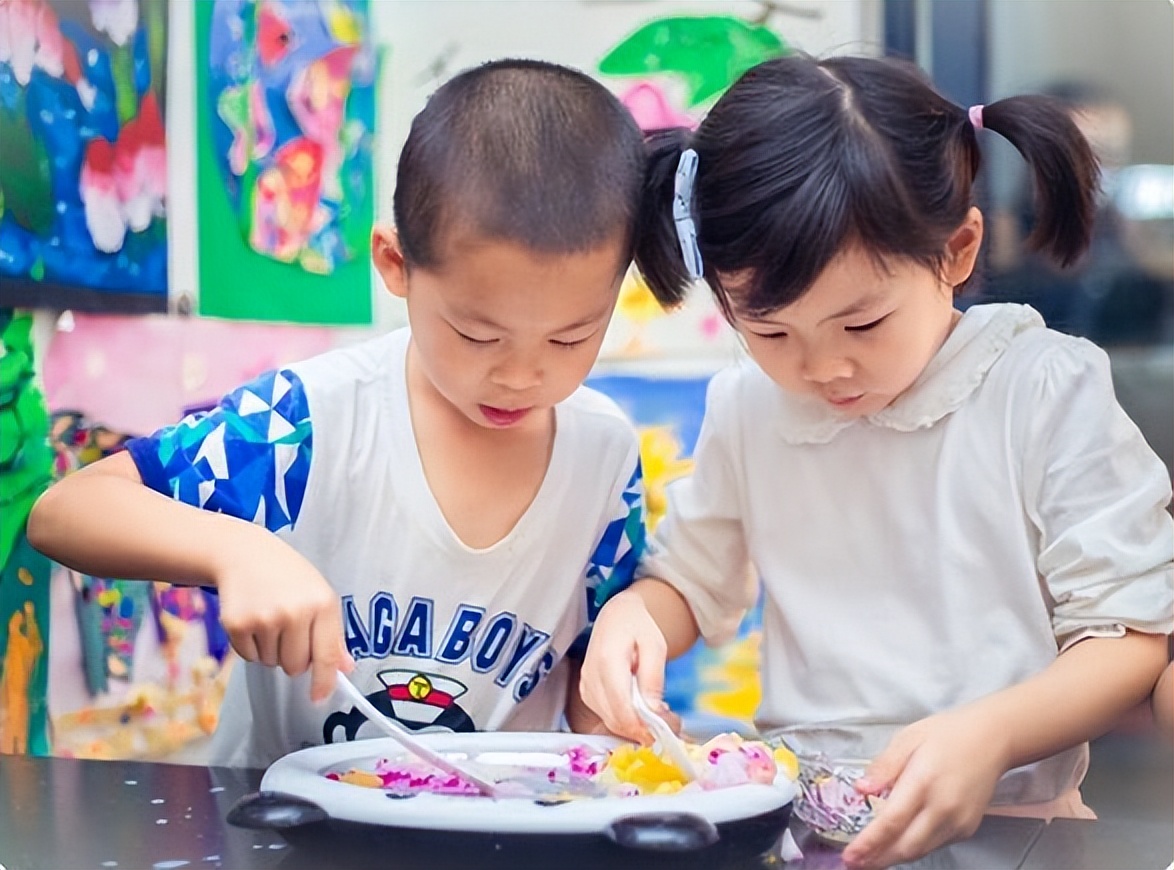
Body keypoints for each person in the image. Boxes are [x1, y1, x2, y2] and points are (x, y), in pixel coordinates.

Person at [578, 54, 1173, 868]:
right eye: (774, 332)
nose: (823, 368)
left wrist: (991, 735)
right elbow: (691, 580)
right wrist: (633, 620)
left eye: (862, 325)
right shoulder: (748, 404)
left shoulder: (1039, 388)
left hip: (1012, 827)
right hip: (805, 830)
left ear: (957, 252)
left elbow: (1131, 635)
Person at [28, 59, 649, 768]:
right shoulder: (305, 423)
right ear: (395, 264)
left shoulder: (602, 458)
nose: (521, 375)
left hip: (498, 831)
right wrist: (237, 551)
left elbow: (585, 679)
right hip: (282, 828)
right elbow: (67, 511)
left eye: (571, 337)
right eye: (479, 335)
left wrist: (619, 699)